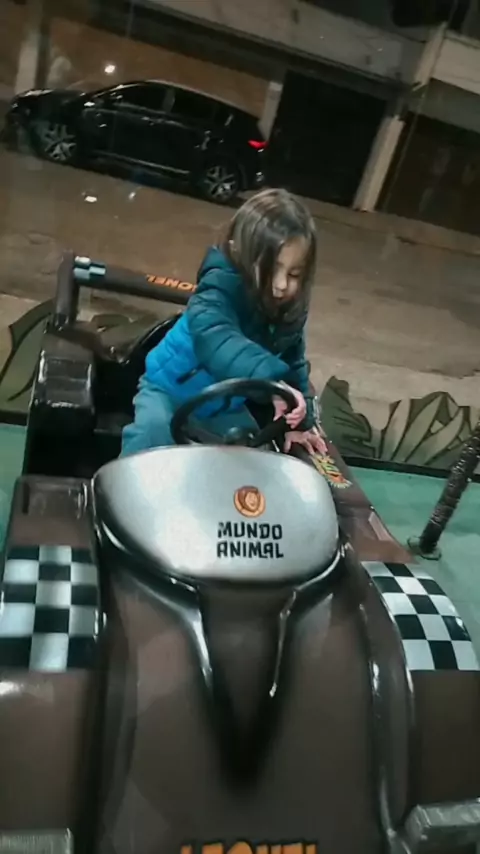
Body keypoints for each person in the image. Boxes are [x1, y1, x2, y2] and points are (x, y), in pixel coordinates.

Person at [121, 187, 327, 457]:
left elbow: (294, 365)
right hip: (168, 392)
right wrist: (273, 382)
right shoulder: (217, 288)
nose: (281, 285)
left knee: (256, 457)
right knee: (151, 435)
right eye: (271, 268)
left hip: (226, 408)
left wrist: (299, 421)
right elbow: (217, 338)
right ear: (241, 254)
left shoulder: (287, 312)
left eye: (294, 274)